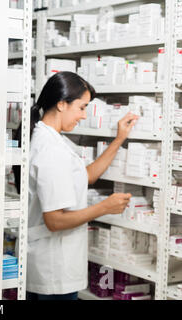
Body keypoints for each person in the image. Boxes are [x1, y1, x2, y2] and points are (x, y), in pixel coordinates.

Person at [14, 71, 139, 300]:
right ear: (62, 104)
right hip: (53, 269)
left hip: (52, 265)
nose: (83, 116)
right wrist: (104, 207)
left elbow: (85, 176)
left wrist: (119, 139)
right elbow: (55, 220)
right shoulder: (50, 150)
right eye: (82, 107)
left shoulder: (51, 139)